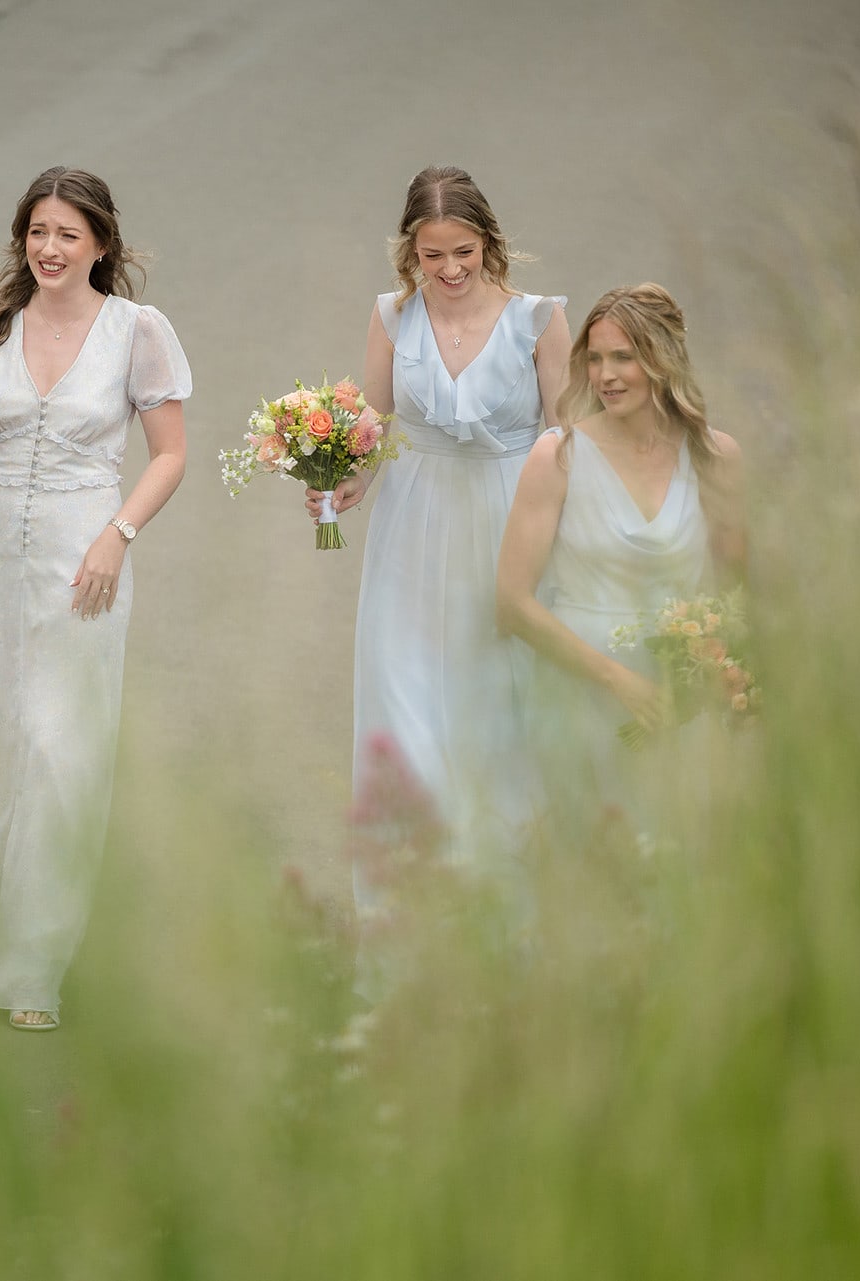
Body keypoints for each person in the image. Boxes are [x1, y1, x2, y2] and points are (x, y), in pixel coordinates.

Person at [0, 167, 189, 1031]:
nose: (48, 249)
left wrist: (118, 534)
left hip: (84, 554)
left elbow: (169, 454)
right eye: (36, 231)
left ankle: (33, 964)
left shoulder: (135, 332)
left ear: (100, 244)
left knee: (58, 747)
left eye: (67, 234)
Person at [308, 167, 569, 956]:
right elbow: (373, 424)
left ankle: (509, 929)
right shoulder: (390, 317)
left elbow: (566, 438)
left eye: (463, 251)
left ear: (489, 243)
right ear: (408, 254)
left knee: (502, 719)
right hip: (413, 531)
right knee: (407, 711)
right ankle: (408, 933)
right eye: (432, 256)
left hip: (509, 525)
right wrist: (336, 478)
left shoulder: (539, 320)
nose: (449, 270)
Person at [494, 282, 746, 837]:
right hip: (581, 695)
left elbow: (738, 590)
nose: (605, 376)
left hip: (679, 703)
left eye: (623, 358)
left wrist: (712, 672)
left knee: (683, 863)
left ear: (662, 360)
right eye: (596, 359)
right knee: (597, 865)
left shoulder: (714, 457)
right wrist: (619, 682)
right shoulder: (558, 457)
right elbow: (511, 603)